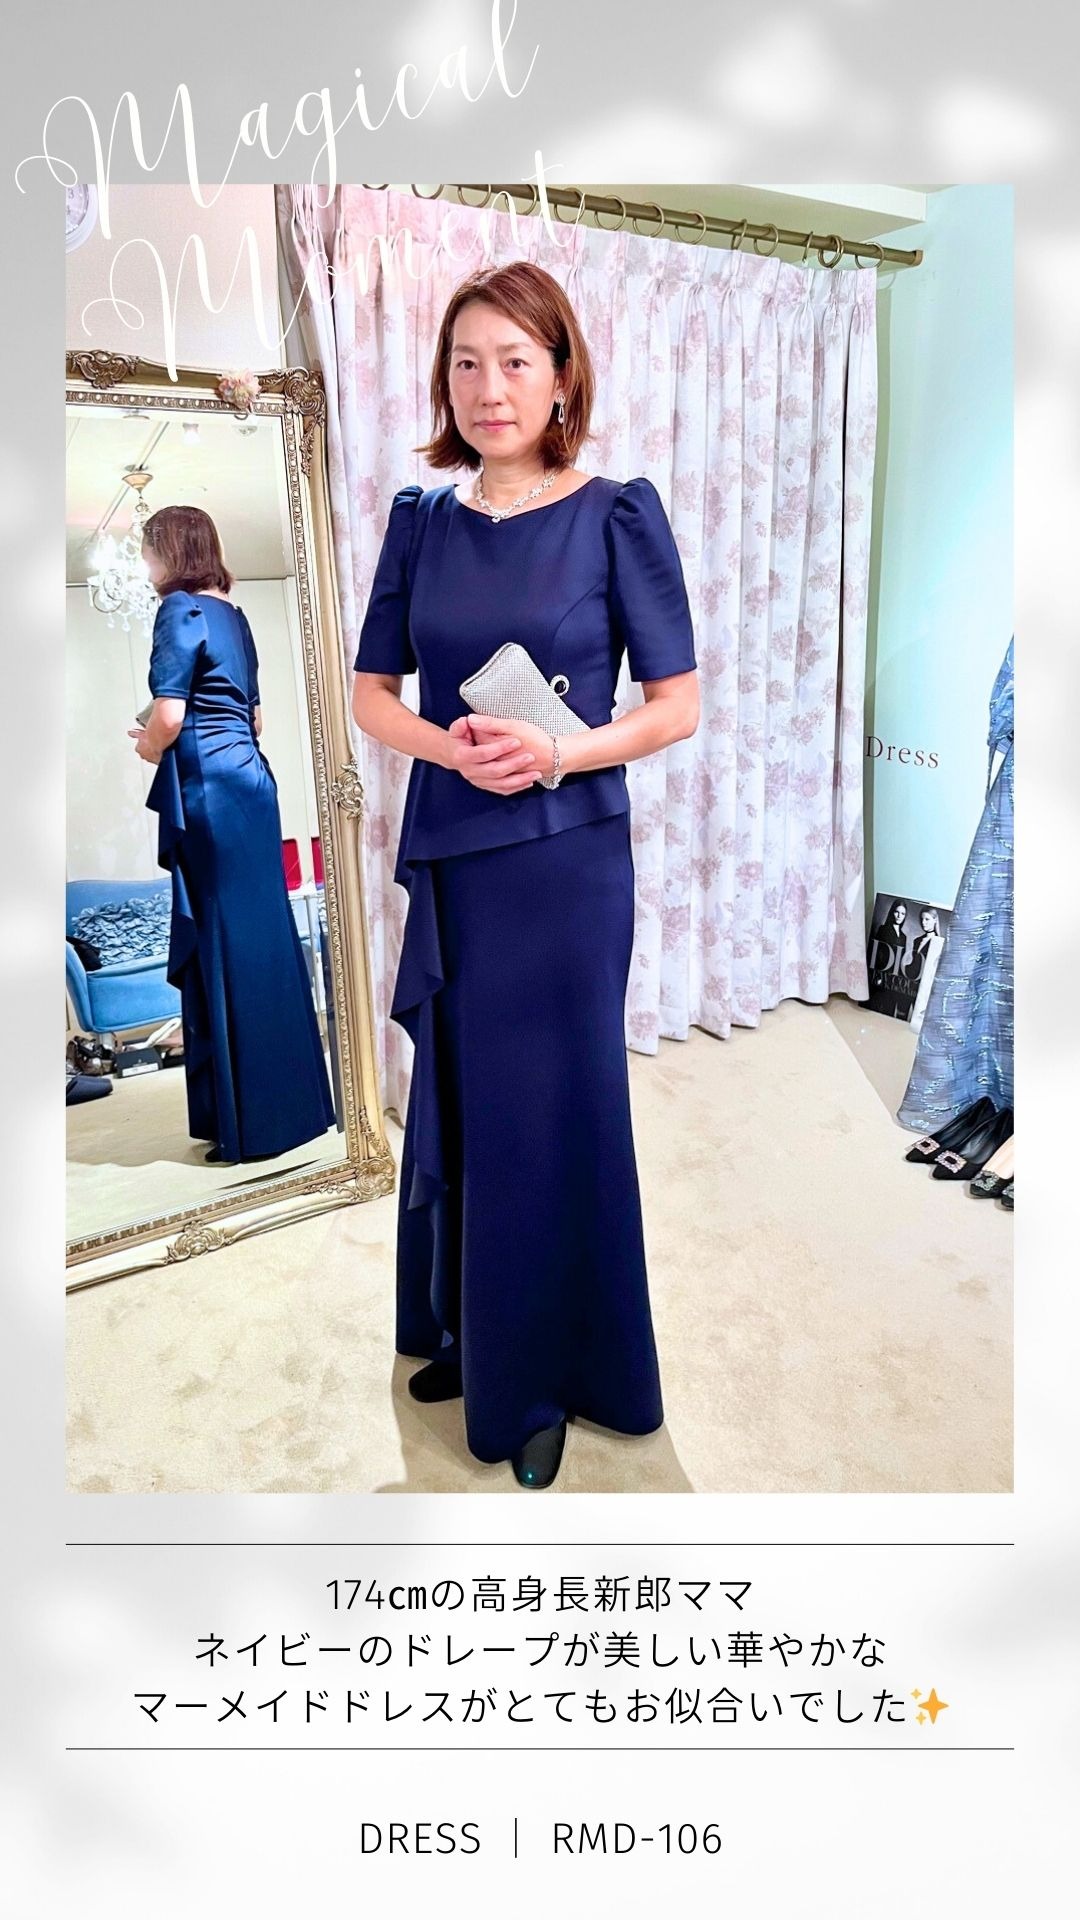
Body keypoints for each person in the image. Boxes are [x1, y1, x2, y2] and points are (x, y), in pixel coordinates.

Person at [351, 261, 699, 1489]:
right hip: (458, 851)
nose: (488, 387)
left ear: (560, 378)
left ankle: (553, 1372)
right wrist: (448, 746)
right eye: (466, 362)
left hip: (566, 866)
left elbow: (675, 705)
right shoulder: (421, 521)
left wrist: (558, 752)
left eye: (514, 361)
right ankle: (473, 1332)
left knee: (553, 1110)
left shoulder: (616, 514)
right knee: (465, 1098)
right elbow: (371, 694)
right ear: (444, 382)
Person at [130, 504, 335, 1165]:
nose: (145, 563)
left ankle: (251, 1125)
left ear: (168, 551)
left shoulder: (179, 610)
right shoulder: (234, 617)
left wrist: (148, 746)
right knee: (265, 939)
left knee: (224, 941)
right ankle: (294, 1110)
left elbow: (169, 716)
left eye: (147, 550)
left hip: (210, 789)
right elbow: (256, 720)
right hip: (251, 782)